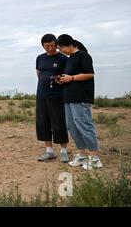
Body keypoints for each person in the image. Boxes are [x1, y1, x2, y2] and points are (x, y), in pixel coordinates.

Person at [56, 34, 102, 170]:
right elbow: (70, 76)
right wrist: (63, 79)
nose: (61, 51)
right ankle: (81, 154)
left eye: (61, 47)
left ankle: (95, 157)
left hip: (81, 97)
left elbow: (89, 74)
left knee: (84, 124)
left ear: (69, 44)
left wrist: (71, 78)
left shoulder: (83, 55)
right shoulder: (70, 59)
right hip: (68, 97)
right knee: (72, 126)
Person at [35, 34, 69, 163]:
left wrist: (60, 80)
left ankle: (63, 151)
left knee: (59, 122)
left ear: (56, 44)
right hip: (41, 95)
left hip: (57, 95)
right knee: (43, 123)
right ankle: (49, 151)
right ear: (43, 46)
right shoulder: (40, 58)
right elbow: (39, 73)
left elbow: (67, 75)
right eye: (46, 46)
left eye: (52, 45)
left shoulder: (63, 58)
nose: (49, 48)